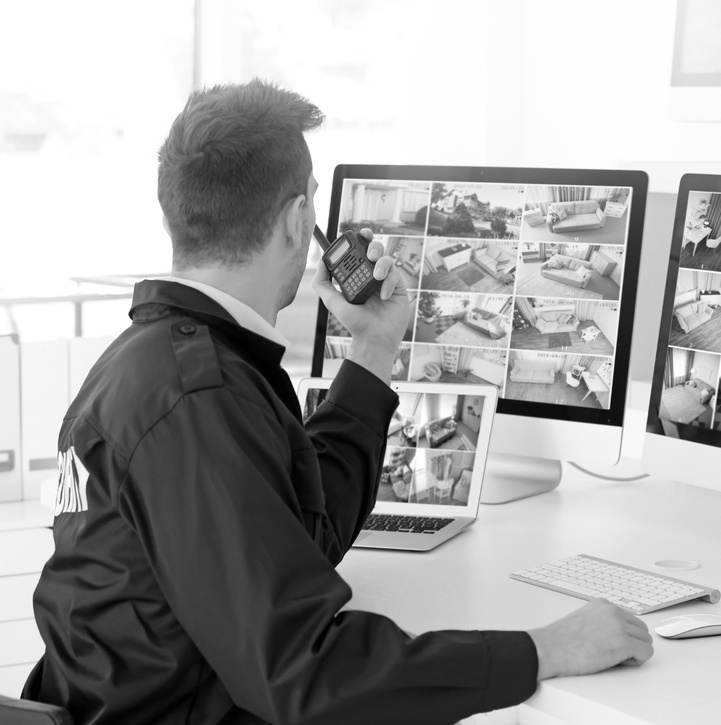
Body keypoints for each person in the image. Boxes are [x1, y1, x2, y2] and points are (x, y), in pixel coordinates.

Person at [24, 79, 652, 725]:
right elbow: (305, 674)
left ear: (173, 216)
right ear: (300, 221)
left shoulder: (160, 362)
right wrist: (543, 649)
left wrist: (374, 346)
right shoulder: (195, 398)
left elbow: (300, 533)